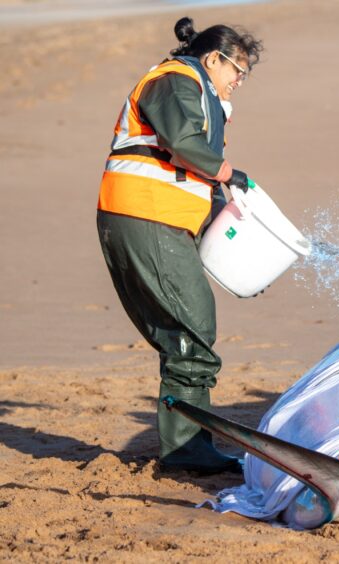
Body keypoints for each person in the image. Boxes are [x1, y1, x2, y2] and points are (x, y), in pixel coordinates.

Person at [96, 17, 262, 473]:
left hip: (154, 218)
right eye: (238, 72)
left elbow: (197, 188)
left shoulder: (199, 95)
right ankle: (186, 451)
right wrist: (228, 172)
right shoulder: (175, 80)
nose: (239, 83)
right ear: (213, 59)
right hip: (145, 215)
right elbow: (182, 143)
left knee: (184, 331)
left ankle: (185, 445)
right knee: (192, 330)